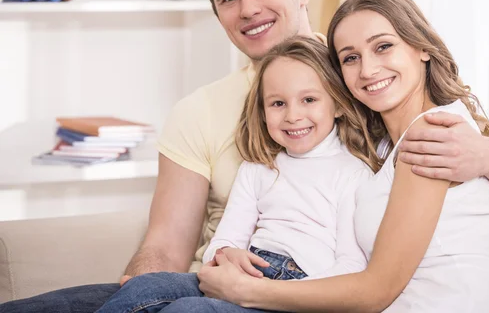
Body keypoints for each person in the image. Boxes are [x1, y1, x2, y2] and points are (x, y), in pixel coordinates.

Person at [0, 0, 489, 313]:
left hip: (288, 291)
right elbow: (167, 244)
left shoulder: (375, 92)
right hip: (220, 277)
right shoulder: (203, 110)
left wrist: (487, 154)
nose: (248, 9)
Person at [196, 0, 489, 312]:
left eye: (383, 47)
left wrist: (246, 291)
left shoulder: (432, 134)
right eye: (351, 58)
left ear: (422, 47)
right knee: (156, 294)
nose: (367, 70)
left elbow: (375, 292)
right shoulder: (381, 143)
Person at [95, 37, 378, 313]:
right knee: (144, 288)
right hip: (247, 271)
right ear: (263, 111)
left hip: (301, 291)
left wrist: (284, 294)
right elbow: (225, 239)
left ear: (339, 104)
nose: (293, 115)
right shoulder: (258, 167)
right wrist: (226, 255)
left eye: (309, 100)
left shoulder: (354, 174)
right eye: (278, 104)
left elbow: (352, 265)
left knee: (190, 309)